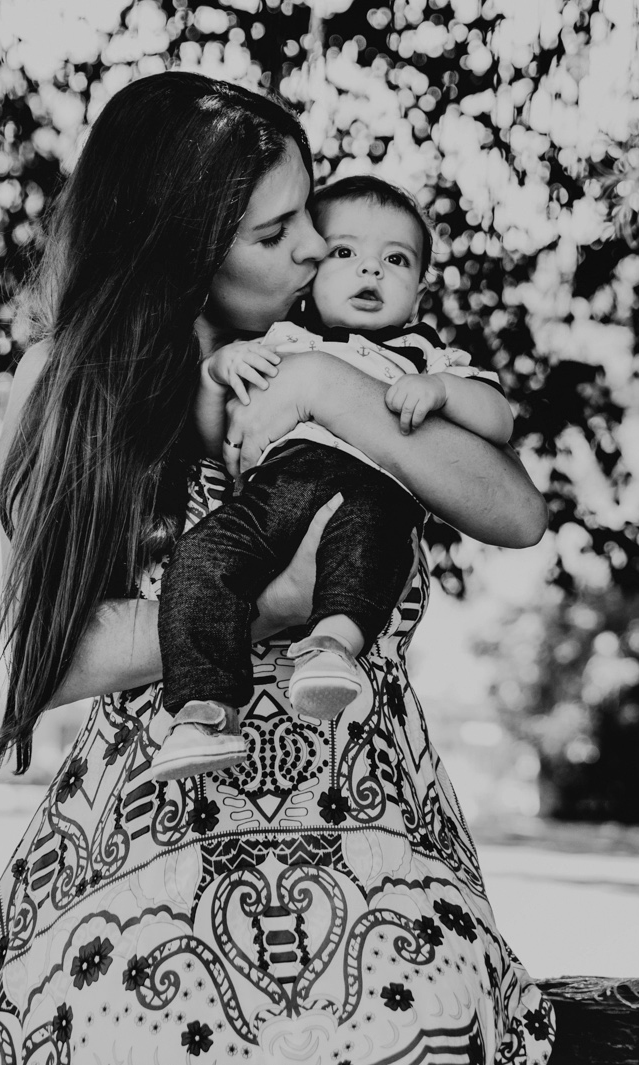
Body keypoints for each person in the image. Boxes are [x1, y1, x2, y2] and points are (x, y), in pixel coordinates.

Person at [0, 72, 555, 1065]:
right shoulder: (74, 383)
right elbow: (46, 659)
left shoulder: (359, 358)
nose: (314, 251)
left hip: (375, 833)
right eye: (276, 234)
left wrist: (328, 388)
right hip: (156, 837)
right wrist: (267, 604)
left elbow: (514, 512)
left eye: (309, 218)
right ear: (183, 246)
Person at [152, 175, 514, 782]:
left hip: (371, 491)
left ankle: (332, 647)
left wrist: (444, 392)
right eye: (345, 252)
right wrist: (218, 374)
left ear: (421, 289)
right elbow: (221, 442)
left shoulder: (427, 355)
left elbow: (499, 420)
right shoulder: (283, 340)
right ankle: (205, 709)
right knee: (200, 557)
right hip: (273, 491)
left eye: (395, 260)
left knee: (370, 545)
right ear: (312, 271)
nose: (370, 270)